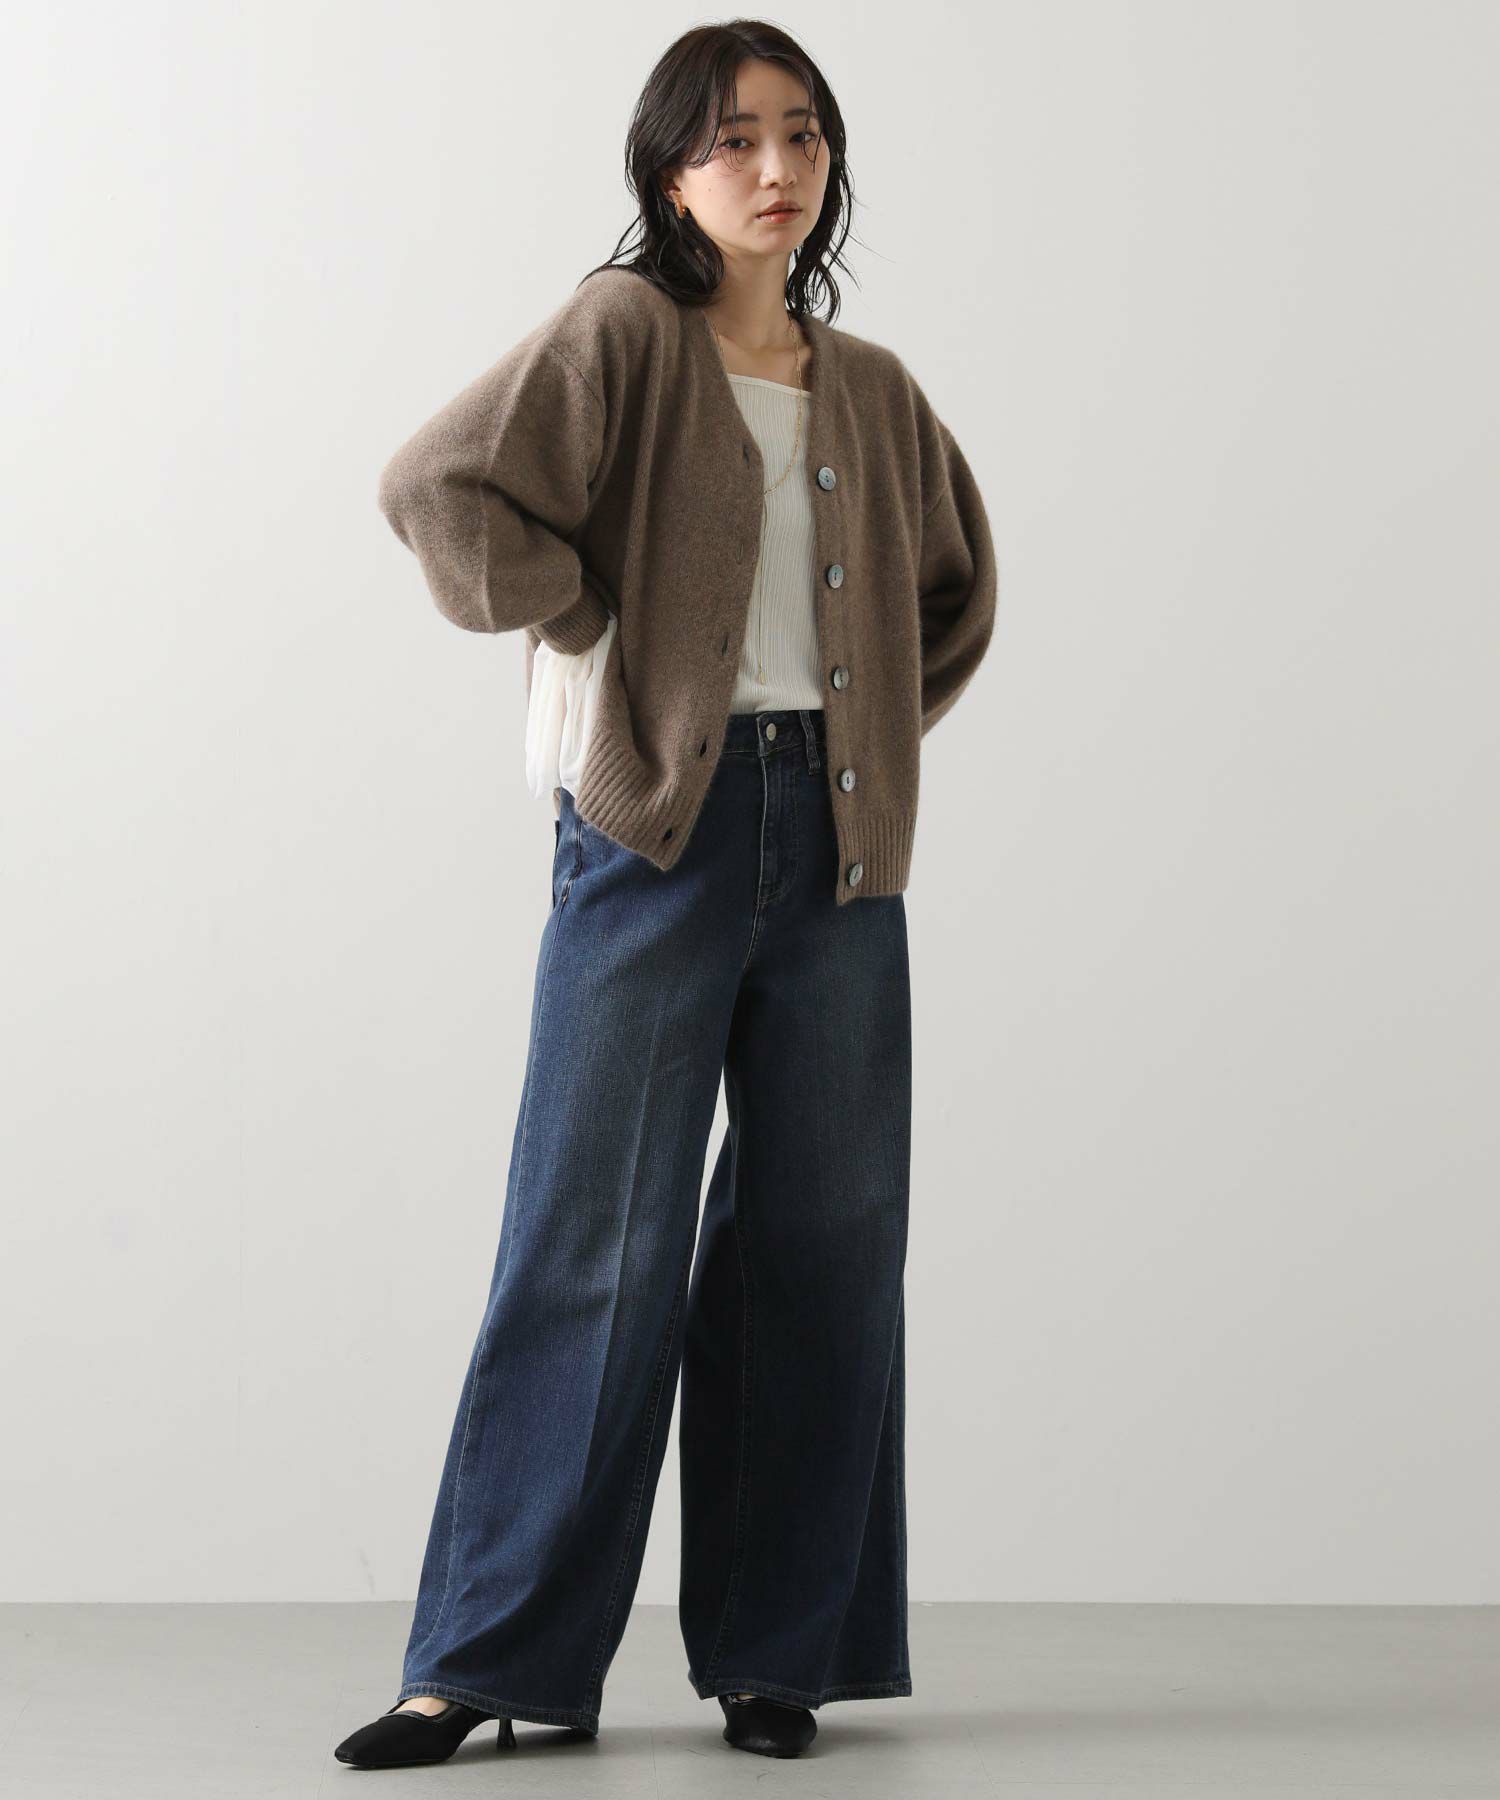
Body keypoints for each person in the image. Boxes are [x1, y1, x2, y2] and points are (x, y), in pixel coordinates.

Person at [335, 17, 996, 1772]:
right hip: (653, 842)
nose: (775, 169)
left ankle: (780, 1656)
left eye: (803, 134)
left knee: (822, 1248)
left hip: (842, 855)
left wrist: (864, 736)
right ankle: (485, 1660)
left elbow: (953, 596)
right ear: (670, 173)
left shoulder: (873, 391)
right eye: (732, 142)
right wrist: (590, 620)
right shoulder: (624, 332)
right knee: (594, 1243)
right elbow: (437, 488)